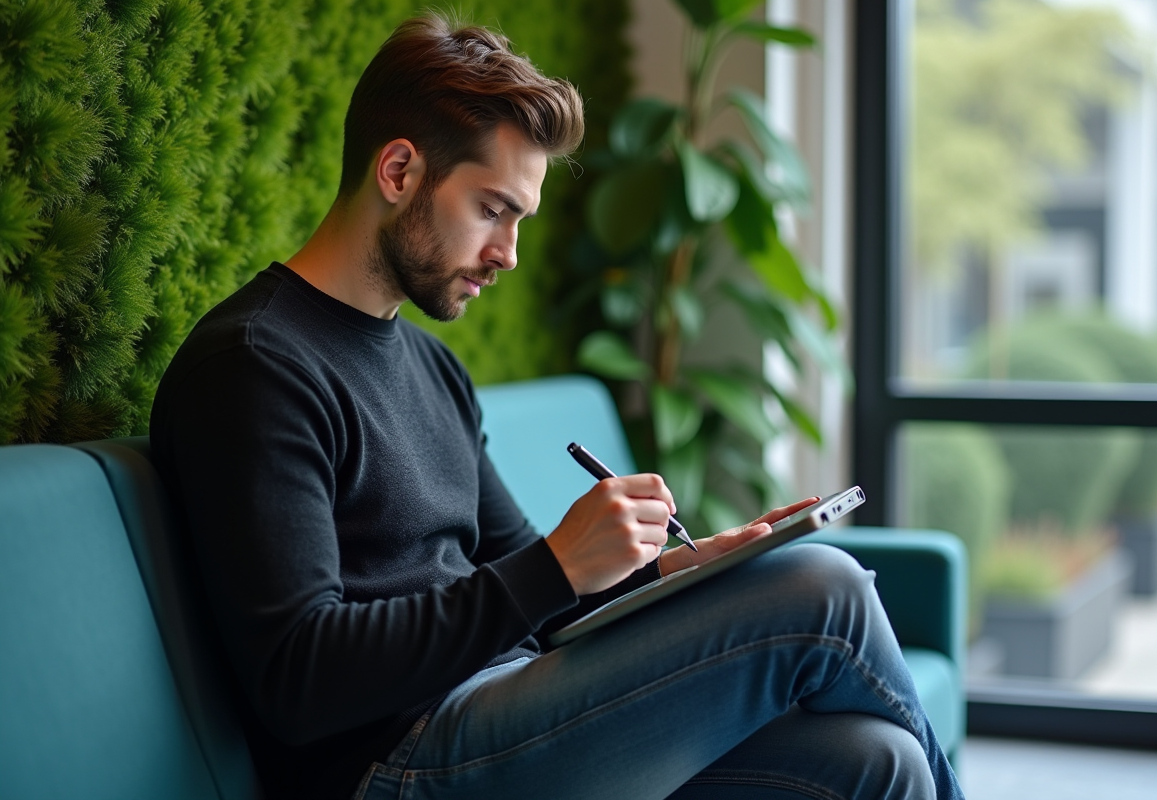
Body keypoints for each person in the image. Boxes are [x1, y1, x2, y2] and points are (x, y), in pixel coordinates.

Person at [151, 14, 965, 800]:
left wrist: (679, 573)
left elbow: (534, 588)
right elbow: (301, 677)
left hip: (508, 711)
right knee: (824, 587)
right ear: (398, 172)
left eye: (519, 219)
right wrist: (556, 564)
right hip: (393, 767)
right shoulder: (255, 365)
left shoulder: (431, 367)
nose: (507, 253)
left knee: (876, 759)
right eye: (492, 209)